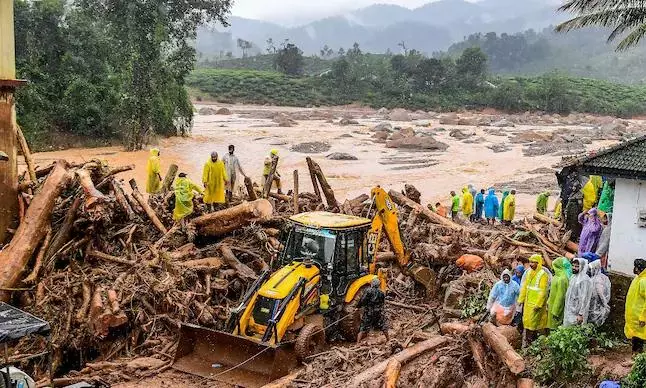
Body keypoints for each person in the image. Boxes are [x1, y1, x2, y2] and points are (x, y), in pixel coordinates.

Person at [517, 254, 549, 344]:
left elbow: (543, 291)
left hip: (536, 304)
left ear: (538, 263)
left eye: (533, 262)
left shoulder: (543, 275)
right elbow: (524, 287)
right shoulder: (529, 273)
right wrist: (521, 299)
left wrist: (538, 304)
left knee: (536, 323)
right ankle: (528, 341)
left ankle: (538, 341)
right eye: (530, 262)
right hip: (528, 303)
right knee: (527, 322)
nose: (530, 264)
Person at [357, 277, 389, 342]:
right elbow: (382, 302)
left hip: (369, 312)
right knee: (383, 326)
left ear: (372, 284)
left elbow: (363, 300)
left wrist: (358, 307)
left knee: (363, 327)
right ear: (378, 285)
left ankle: (357, 343)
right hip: (378, 312)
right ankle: (388, 339)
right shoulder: (381, 293)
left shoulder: (368, 291)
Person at [563, 258, 592, 326]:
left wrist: (581, 314)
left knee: (576, 331)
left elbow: (585, 298)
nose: (574, 268)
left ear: (582, 267)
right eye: (573, 265)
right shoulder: (573, 277)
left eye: (577, 266)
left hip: (578, 312)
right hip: (570, 309)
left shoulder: (584, 280)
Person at [625, 259, 646, 353]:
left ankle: (636, 359)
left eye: (635, 267)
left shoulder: (643, 281)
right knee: (635, 338)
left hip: (639, 318)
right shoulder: (638, 278)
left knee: (639, 339)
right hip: (634, 317)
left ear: (638, 268)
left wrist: (643, 317)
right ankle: (634, 358)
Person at [547, 257, 570, 330]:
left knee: (556, 328)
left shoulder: (562, 278)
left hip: (556, 309)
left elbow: (560, 296)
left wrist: (555, 311)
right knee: (551, 327)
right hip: (552, 305)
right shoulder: (556, 276)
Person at [588, 260, 611, 326]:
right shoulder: (597, 277)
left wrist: (604, 304)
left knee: (594, 321)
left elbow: (600, 292)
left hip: (596, 304)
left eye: (591, 269)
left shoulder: (597, 279)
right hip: (594, 303)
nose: (590, 271)